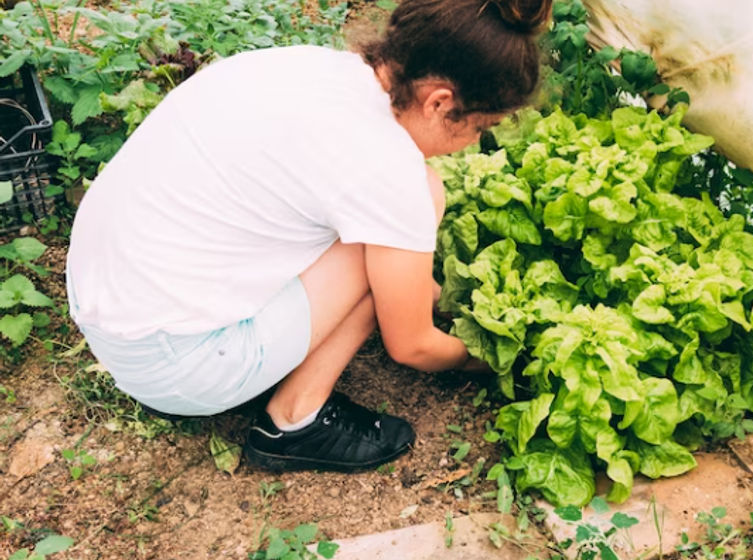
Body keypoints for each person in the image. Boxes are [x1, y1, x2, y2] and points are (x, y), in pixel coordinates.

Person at [65, 0, 552, 473]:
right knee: (415, 204)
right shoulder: (385, 170)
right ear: (439, 102)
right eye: (480, 127)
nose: (475, 142)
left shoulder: (313, 68)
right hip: (181, 367)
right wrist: (490, 357)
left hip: (111, 308)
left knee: (399, 222)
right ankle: (295, 423)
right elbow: (413, 346)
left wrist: (435, 297)